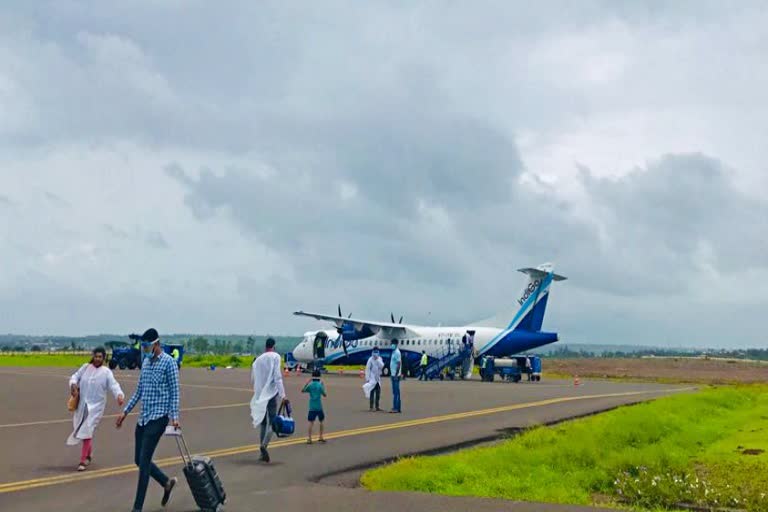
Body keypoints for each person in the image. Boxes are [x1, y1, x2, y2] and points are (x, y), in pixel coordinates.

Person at [115, 328, 180, 512]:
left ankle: (137, 507)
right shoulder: (145, 362)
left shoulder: (169, 363)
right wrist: (125, 412)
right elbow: (139, 390)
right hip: (144, 418)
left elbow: (175, 393)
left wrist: (174, 418)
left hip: (159, 418)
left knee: (144, 463)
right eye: (142, 346)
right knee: (138, 459)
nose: (144, 349)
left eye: (146, 346)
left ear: (156, 344)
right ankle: (166, 482)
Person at [67, 347, 125, 471]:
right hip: (82, 405)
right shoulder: (85, 368)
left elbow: (114, 385)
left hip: (96, 407)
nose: (97, 359)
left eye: (100, 357)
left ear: (104, 358)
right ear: (93, 356)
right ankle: (88, 454)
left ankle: (83, 461)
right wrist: (73, 385)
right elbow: (75, 377)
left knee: (87, 430)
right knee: (82, 431)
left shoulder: (106, 372)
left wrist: (119, 395)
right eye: (96, 356)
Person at [250, 337, 287, 463]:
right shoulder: (275, 357)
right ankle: (264, 446)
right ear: (274, 346)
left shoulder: (258, 360)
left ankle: (261, 453)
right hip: (271, 394)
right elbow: (277, 377)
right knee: (272, 422)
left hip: (260, 394)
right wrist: (283, 395)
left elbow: (253, 378)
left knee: (263, 423)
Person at [301, 369, 327, 444]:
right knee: (321, 421)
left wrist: (307, 383)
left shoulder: (310, 385)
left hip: (312, 406)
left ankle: (309, 438)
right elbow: (324, 394)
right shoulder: (319, 385)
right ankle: (321, 436)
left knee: (311, 422)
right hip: (319, 406)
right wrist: (323, 385)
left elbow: (303, 390)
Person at [389, 339, 402, 413]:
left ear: (396, 344)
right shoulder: (394, 352)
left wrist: (396, 374)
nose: (391, 345)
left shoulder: (397, 352)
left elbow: (399, 364)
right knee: (396, 392)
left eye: (392, 344)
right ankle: (398, 407)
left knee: (396, 392)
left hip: (395, 375)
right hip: (393, 374)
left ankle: (395, 408)